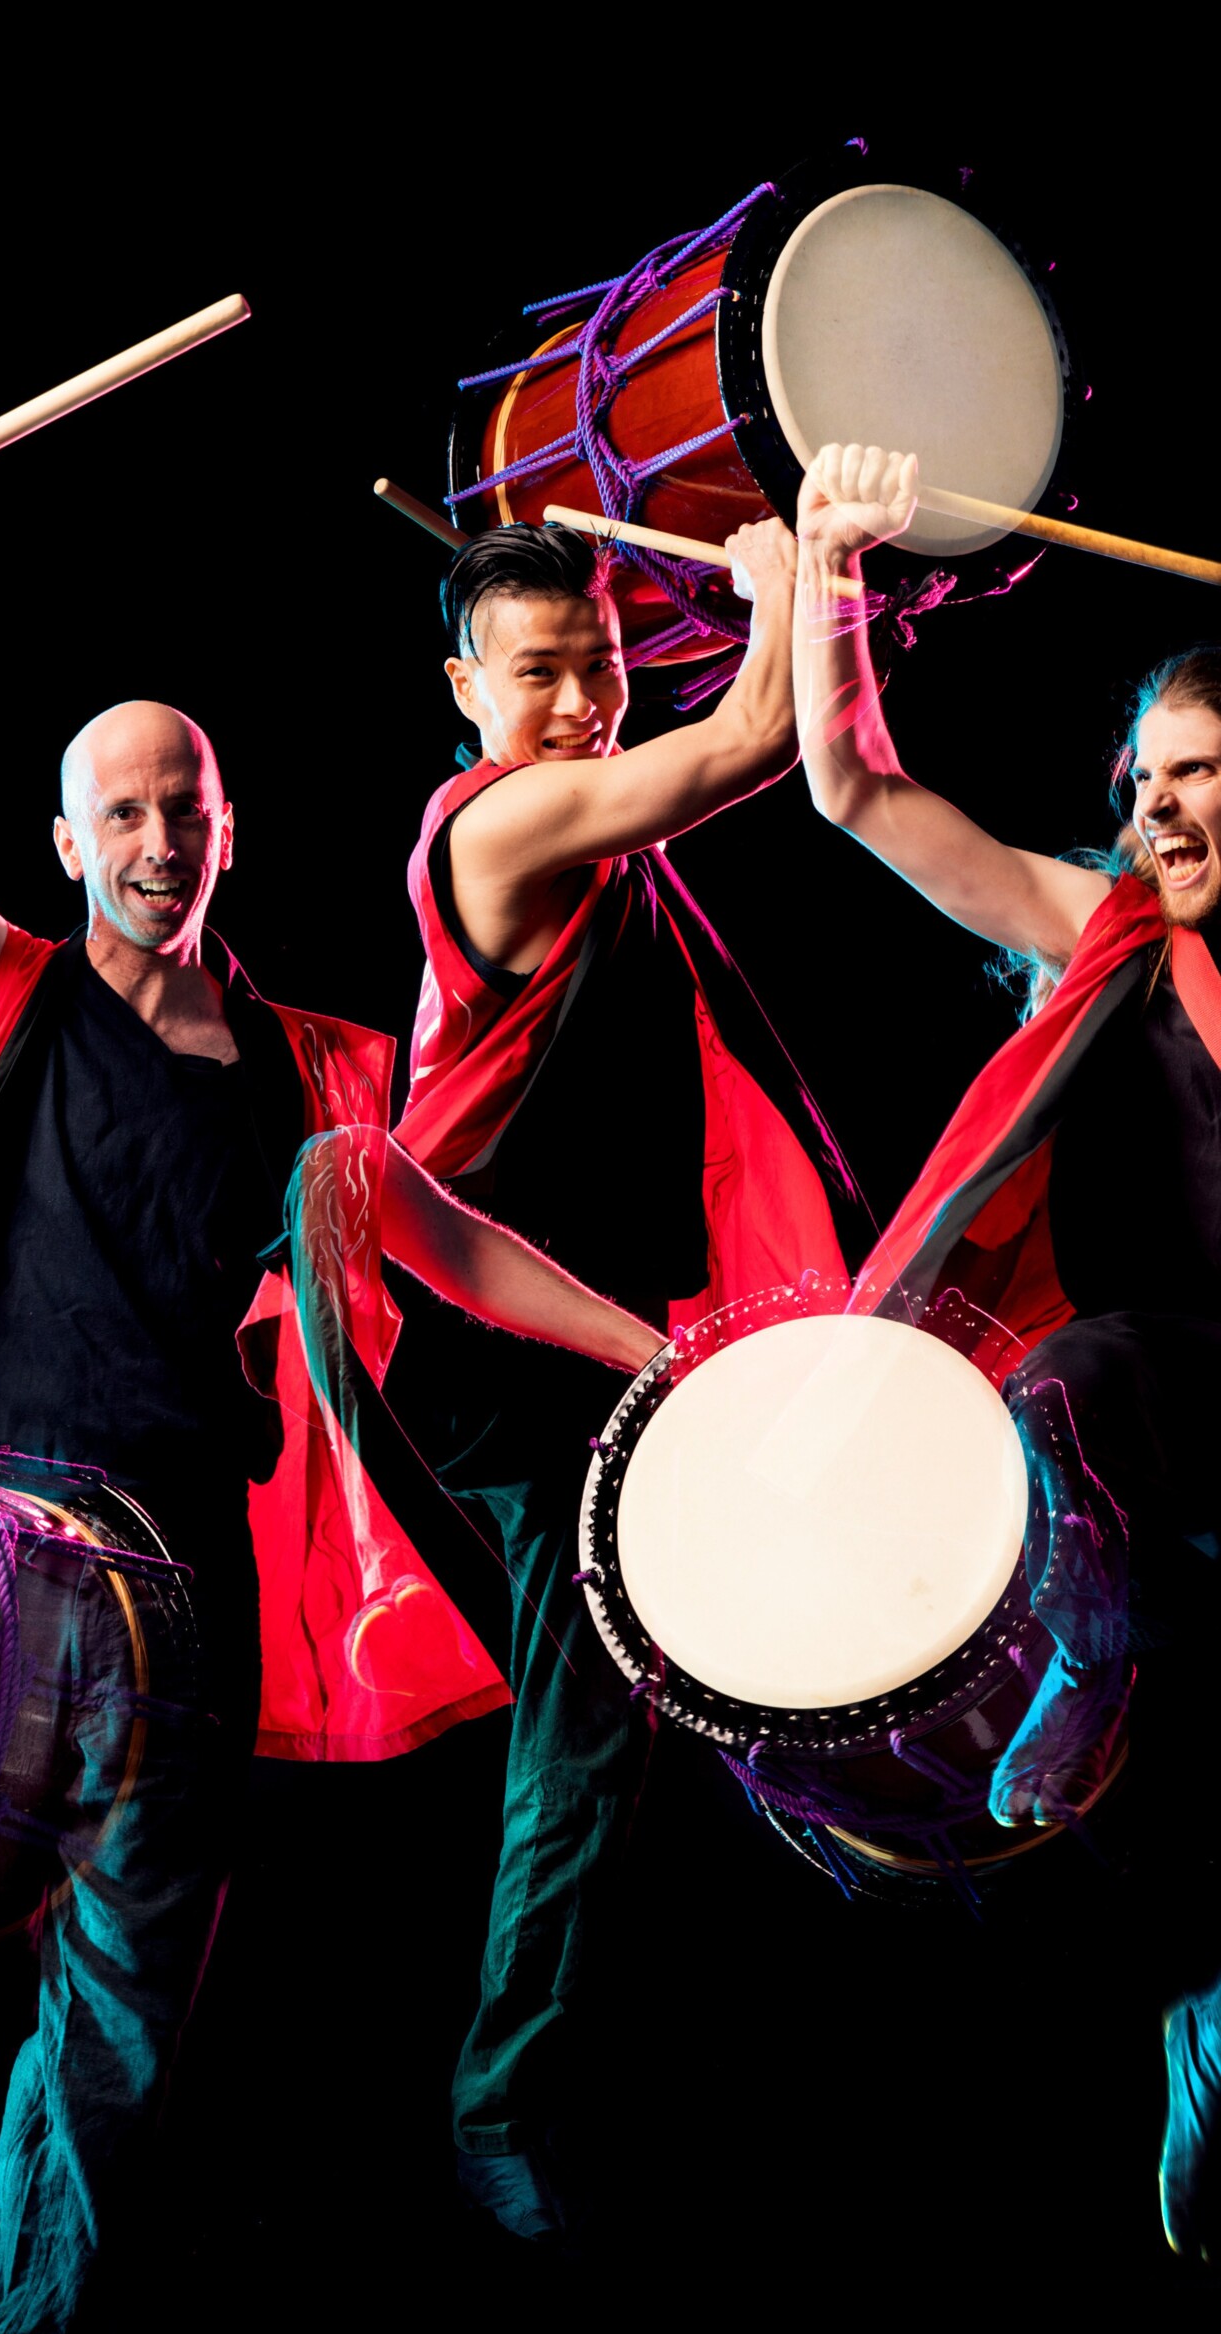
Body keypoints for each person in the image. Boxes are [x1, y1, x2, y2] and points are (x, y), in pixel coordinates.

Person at [0, 425, 665, 2334]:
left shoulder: (309, 1064)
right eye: (116, 808)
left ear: (228, 830)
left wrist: (658, 1350)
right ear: (62, 837)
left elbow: (440, 1237)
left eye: (180, 805)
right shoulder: (3, 1001)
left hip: (177, 1587)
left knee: (121, 2010)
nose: (152, 835)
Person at [391, 516, 861, 2241]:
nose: (584, 700)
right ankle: (499, 2109)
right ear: (465, 690)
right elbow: (750, 740)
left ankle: (579, 2076)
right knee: (589, 1728)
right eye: (540, 673)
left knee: (642, 1717)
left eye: (600, 664)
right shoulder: (497, 821)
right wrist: (790, 583)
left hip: (597, 1343)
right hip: (486, 1348)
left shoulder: (589, 820)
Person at [792, 438, 1220, 2261]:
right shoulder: (1100, 929)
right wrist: (832, 569)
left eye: (1202, 772)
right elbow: (854, 789)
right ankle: (1087, 1665)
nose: (1162, 807)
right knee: (1066, 1390)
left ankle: (1208, 2008)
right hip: (1161, 1389)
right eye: (1148, 776)